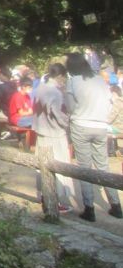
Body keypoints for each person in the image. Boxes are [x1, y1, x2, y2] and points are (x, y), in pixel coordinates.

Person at [65, 51, 122, 222]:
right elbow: (109, 102)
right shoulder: (99, 80)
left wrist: (79, 113)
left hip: (81, 124)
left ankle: (89, 208)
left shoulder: (72, 81)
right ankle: (116, 205)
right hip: (100, 125)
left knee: (84, 167)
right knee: (103, 165)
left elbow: (70, 107)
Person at [32, 63, 73, 214]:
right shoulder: (54, 92)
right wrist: (69, 121)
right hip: (54, 133)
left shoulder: (40, 88)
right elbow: (57, 113)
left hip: (41, 131)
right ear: (61, 76)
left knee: (42, 166)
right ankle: (55, 200)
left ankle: (45, 196)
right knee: (58, 167)